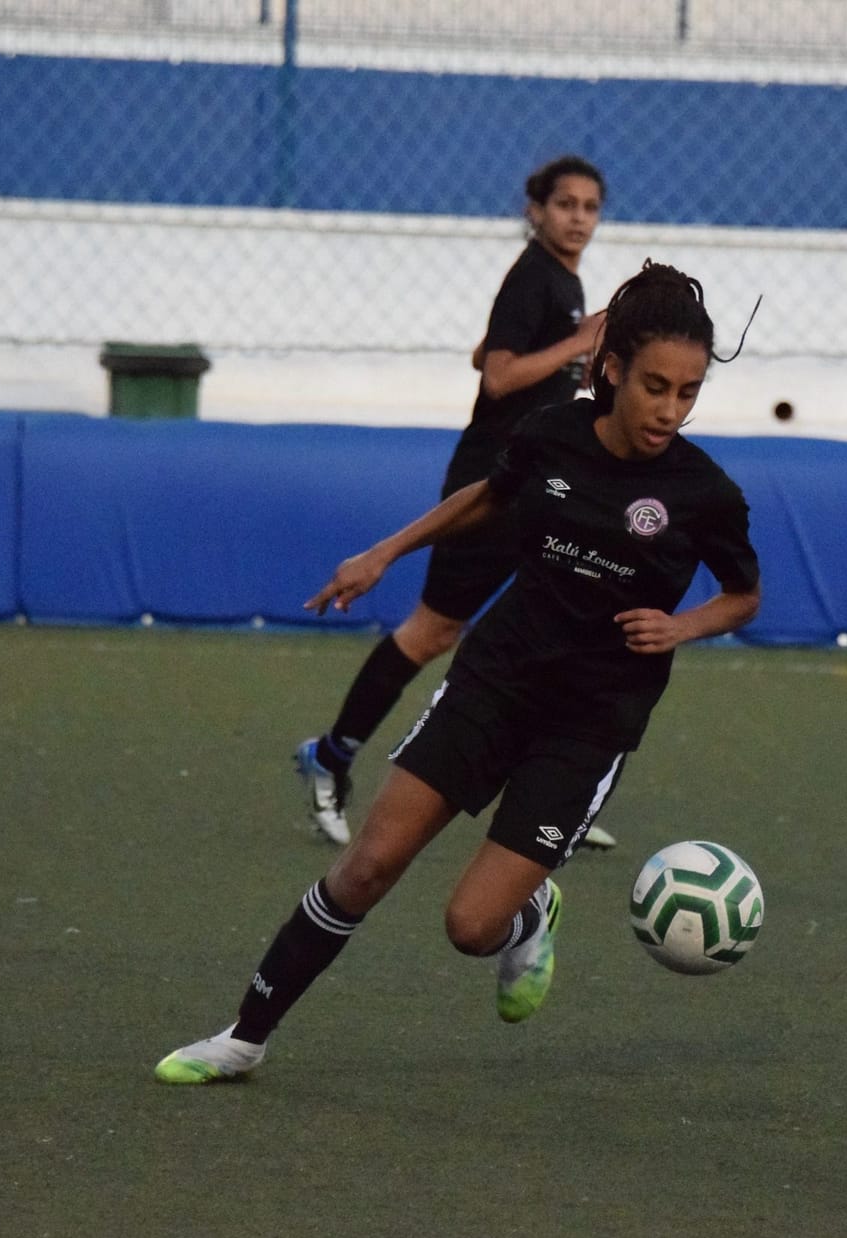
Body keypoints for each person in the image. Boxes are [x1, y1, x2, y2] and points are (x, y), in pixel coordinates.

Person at [156, 262, 763, 1084]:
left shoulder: (704, 493)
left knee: (470, 927)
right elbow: (487, 497)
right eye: (655, 386)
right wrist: (384, 552)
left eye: (687, 393)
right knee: (367, 865)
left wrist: (682, 625)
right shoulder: (553, 432)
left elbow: (743, 595)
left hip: (590, 722)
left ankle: (528, 918)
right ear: (614, 368)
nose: (670, 409)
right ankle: (244, 1037)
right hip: (497, 680)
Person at [293, 155, 621, 850]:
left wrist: (571, 358)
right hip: (491, 481)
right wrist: (577, 342)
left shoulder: (561, 281)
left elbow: (484, 353)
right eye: (565, 204)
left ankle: (549, 795)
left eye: (590, 207)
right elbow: (498, 378)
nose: (578, 218)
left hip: (540, 483)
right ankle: (330, 755)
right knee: (432, 632)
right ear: (535, 210)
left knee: (561, 621)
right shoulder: (535, 274)